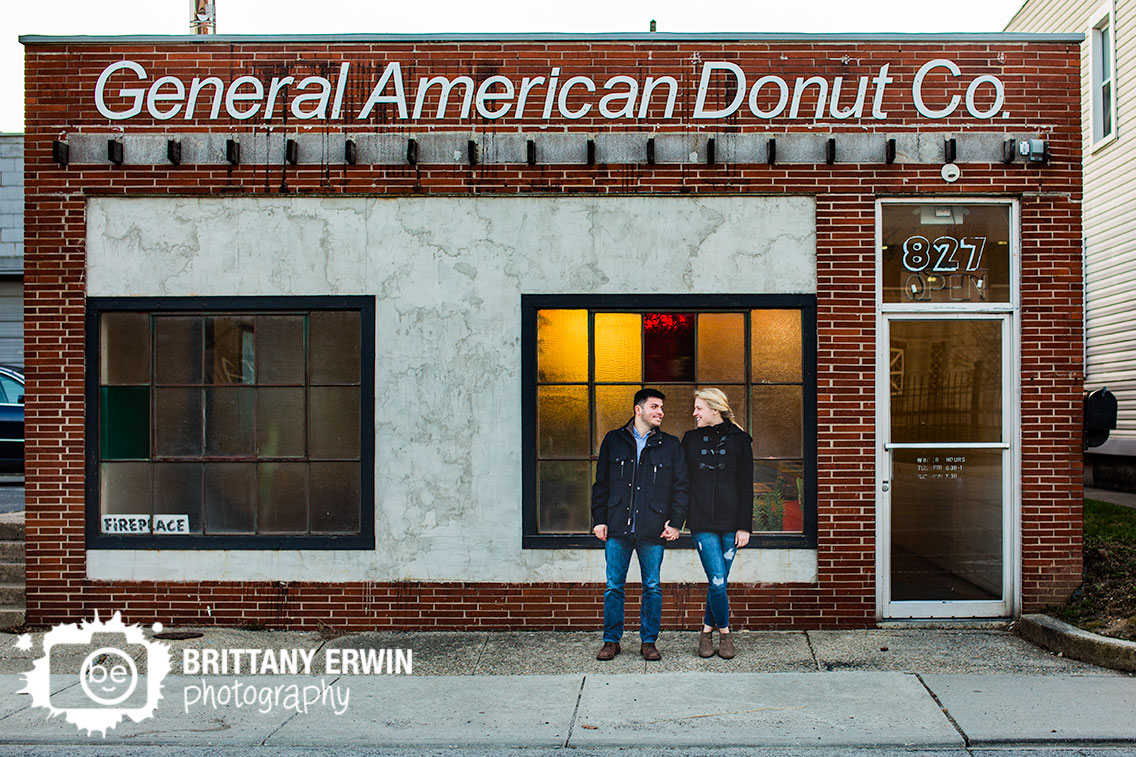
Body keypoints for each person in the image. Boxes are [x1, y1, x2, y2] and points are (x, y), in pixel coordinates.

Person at [591, 388, 689, 662]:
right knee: (613, 586)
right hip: (617, 528)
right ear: (638, 409)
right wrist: (599, 520)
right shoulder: (613, 440)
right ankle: (611, 641)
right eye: (655, 407)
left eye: (662, 408)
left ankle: (648, 642)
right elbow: (601, 485)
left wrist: (676, 522)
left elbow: (681, 487)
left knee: (652, 586)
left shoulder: (670, 445)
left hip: (653, 528)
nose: (661, 412)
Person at [678, 388, 754, 659]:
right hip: (701, 522)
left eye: (699, 408)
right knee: (719, 581)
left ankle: (705, 631)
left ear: (715, 409)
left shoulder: (740, 440)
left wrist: (745, 526)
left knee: (717, 582)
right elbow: (682, 484)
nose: (694, 413)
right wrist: (677, 521)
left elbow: (746, 485)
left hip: (732, 524)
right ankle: (725, 633)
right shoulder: (690, 440)